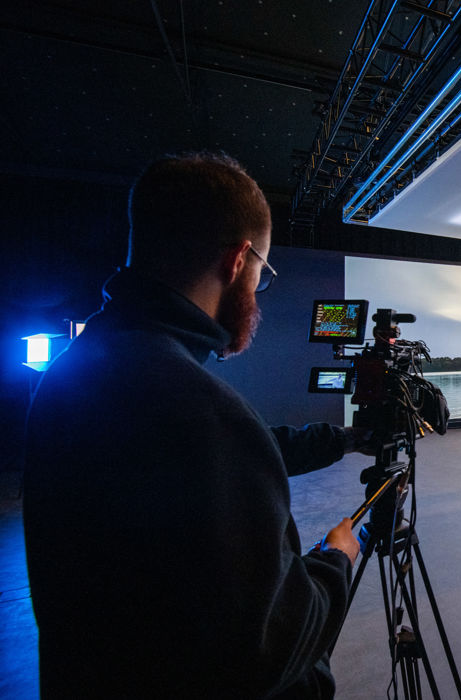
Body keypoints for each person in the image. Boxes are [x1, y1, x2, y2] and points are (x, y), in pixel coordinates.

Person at [23, 152, 363, 699]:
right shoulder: (197, 408)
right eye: (262, 275)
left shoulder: (78, 371)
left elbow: (227, 456)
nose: (257, 288)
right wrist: (336, 561)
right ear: (238, 260)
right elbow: (268, 649)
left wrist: (345, 440)